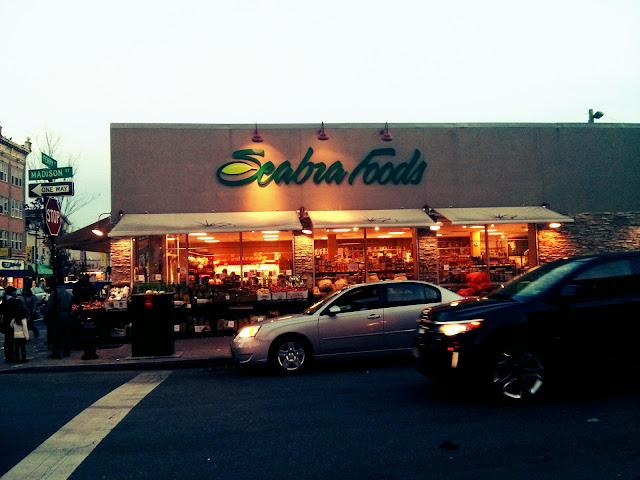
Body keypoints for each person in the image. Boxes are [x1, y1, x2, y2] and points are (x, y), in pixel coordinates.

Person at [45, 286, 74, 359]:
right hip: (66, 314)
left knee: (56, 335)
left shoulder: (54, 293)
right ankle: (66, 351)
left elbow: (50, 305)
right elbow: (71, 305)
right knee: (66, 333)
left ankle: (56, 353)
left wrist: (47, 315)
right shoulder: (68, 293)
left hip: (57, 315)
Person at [1, 286, 27, 363]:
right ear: (12, 292)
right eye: (14, 291)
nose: (16, 293)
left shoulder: (4, 300)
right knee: (12, 340)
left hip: (6, 323)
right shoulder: (13, 301)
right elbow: (17, 311)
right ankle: (12, 357)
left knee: (8, 340)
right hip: (12, 323)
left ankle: (8, 357)